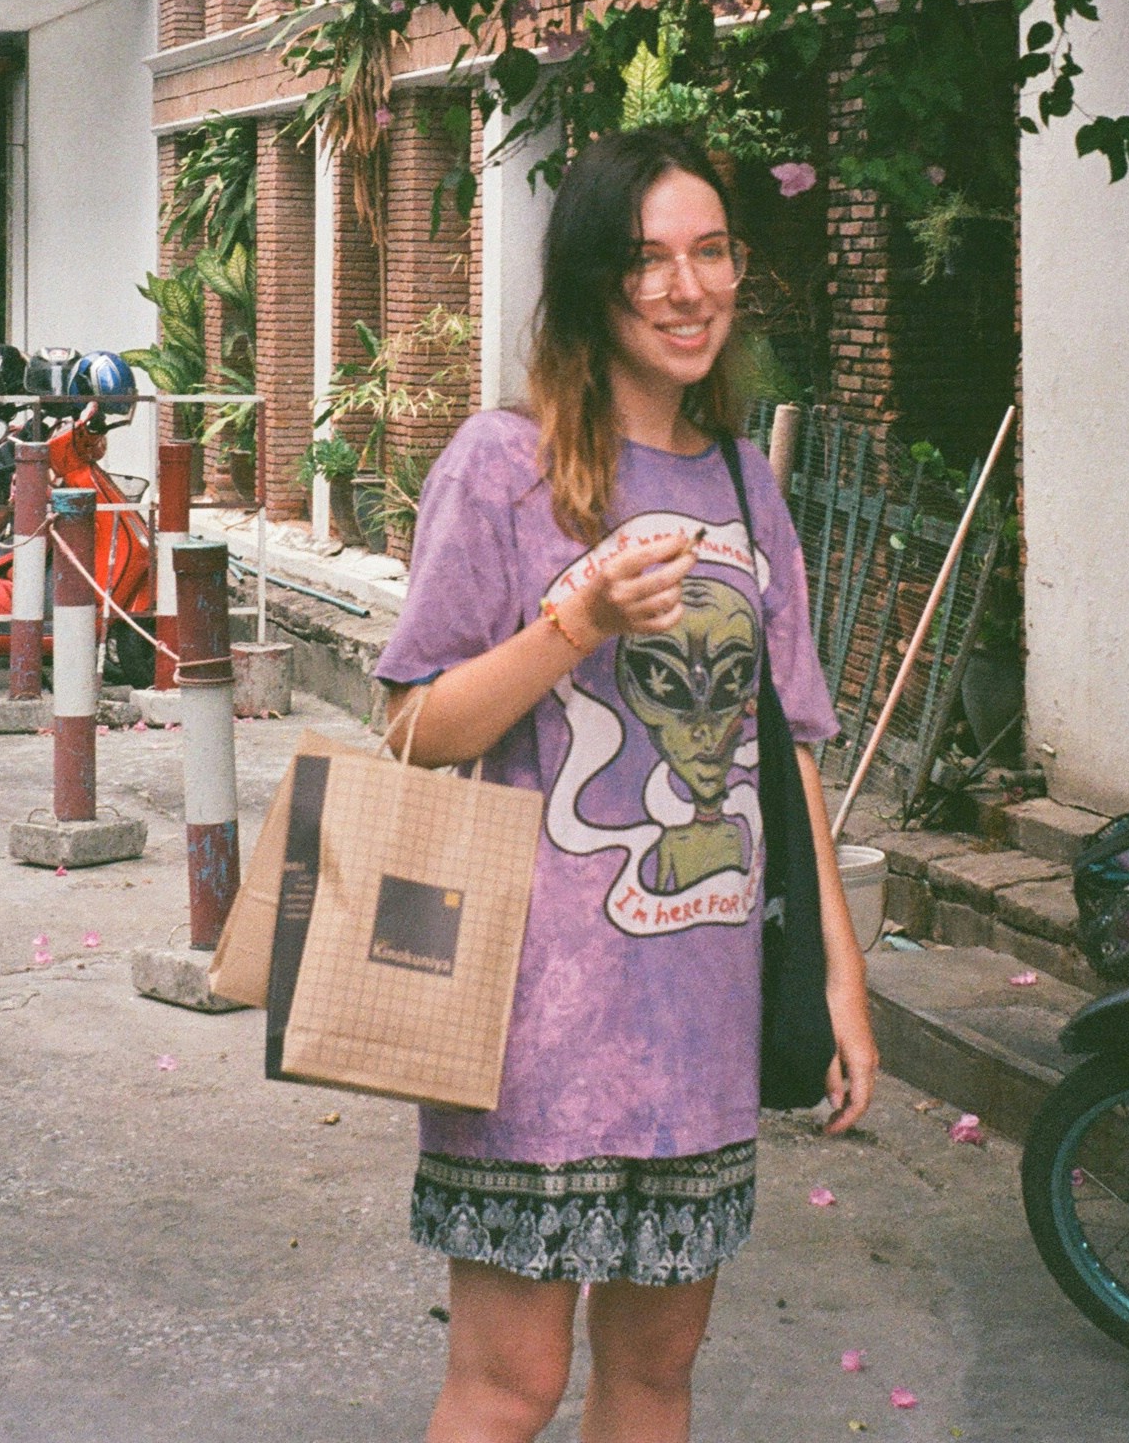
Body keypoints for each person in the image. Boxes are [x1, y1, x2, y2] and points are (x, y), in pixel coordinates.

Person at [374, 127, 876, 1443]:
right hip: (533, 1026)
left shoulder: (743, 485)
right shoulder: (504, 466)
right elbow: (411, 728)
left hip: (698, 1026)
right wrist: (575, 620)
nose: (686, 286)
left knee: (656, 1379)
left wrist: (838, 981)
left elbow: (789, 757)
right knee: (509, 1388)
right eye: (649, 258)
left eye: (710, 251)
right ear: (596, 282)